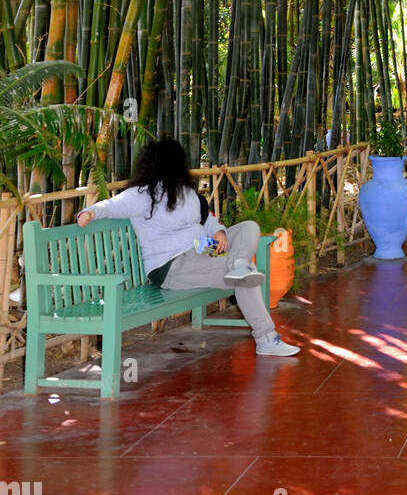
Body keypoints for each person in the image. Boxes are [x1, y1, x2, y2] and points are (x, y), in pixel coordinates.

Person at [76, 137, 300, 357]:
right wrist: (89, 213)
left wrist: (219, 231)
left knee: (248, 227)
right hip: (171, 266)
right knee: (244, 278)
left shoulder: (187, 192)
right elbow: (111, 206)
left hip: (203, 251)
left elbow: (207, 220)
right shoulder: (143, 195)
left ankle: (239, 264)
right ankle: (266, 338)